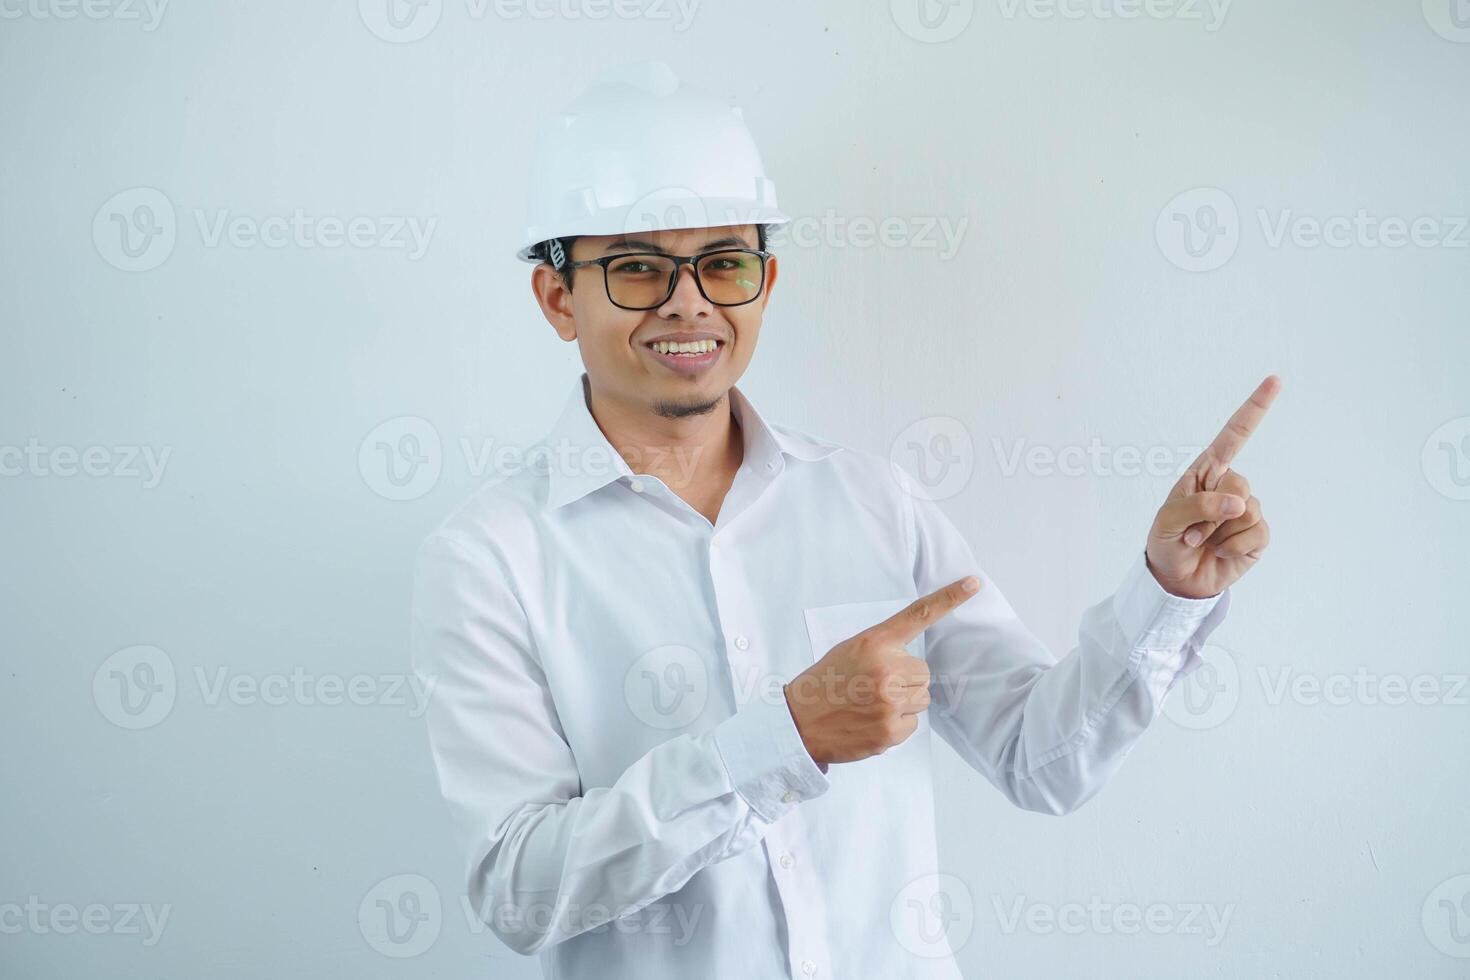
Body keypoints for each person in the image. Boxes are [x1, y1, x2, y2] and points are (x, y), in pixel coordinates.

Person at [410, 59, 1278, 979]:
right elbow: (518, 891)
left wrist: (1167, 594)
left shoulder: (872, 501)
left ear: (766, 281)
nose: (689, 302)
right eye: (635, 269)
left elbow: (1040, 760)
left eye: (724, 263)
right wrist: (784, 738)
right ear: (557, 298)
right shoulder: (487, 558)